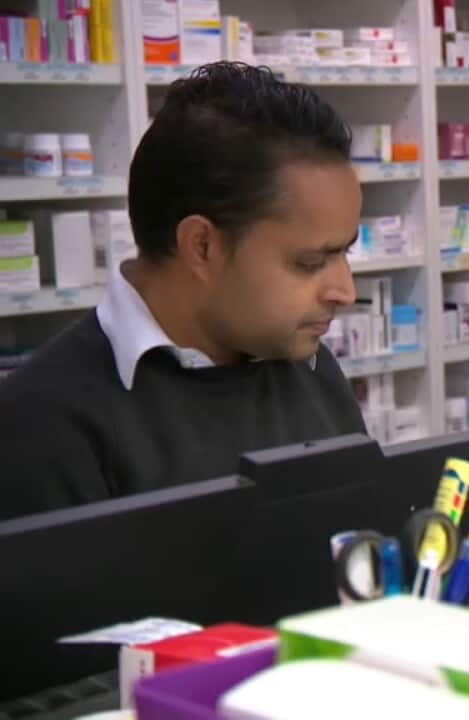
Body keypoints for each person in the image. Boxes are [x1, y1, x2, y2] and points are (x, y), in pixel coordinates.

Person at [0, 62, 367, 520]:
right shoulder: (45, 425)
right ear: (202, 246)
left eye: (344, 254)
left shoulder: (313, 372)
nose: (345, 292)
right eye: (310, 262)